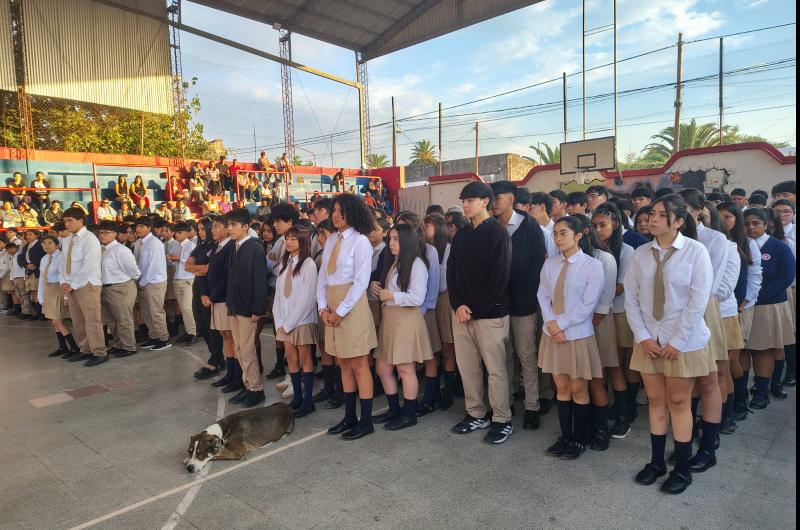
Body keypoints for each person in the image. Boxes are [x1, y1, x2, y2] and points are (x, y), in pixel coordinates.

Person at [625, 194, 714, 495]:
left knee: (678, 402)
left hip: (684, 342)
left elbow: (697, 300)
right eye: (651, 213)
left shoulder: (695, 252)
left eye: (661, 215)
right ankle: (656, 462)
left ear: (678, 221)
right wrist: (644, 337)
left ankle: (683, 469)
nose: (652, 219)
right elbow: (631, 299)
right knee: (655, 401)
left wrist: (676, 341)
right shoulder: (640, 254)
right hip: (649, 340)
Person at [447, 182, 513, 444]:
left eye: (471, 200)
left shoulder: (498, 233)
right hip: (462, 315)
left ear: (486, 201)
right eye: (463, 200)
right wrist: (457, 305)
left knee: (496, 370)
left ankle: (501, 418)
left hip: (491, 315)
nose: (465, 205)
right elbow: (451, 273)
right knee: (468, 368)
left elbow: (500, 278)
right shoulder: (462, 235)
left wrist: (475, 310)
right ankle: (476, 413)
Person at [538, 215, 604, 460]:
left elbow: (588, 303)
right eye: (555, 234)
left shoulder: (592, 265)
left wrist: (561, 324)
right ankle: (565, 436)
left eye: (563, 233)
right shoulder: (550, 264)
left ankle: (578, 439)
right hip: (553, 334)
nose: (558, 238)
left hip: (577, 335)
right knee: (561, 388)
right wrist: (551, 324)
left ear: (579, 235)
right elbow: (543, 295)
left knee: (578, 389)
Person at [317, 194, 378, 440]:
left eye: (342, 211)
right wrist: (322, 307)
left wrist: (340, 312)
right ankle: (349, 416)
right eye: (334, 210)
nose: (336, 214)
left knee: (359, 364)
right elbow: (323, 276)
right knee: (342, 363)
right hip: (331, 304)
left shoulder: (361, 241)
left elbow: (361, 281)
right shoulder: (332, 239)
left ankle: (366, 421)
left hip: (350, 306)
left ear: (353, 212)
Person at [491, 180, 547, 431]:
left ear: (511, 198)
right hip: (498, 304)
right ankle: (509, 399)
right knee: (504, 356)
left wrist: (530, 298)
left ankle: (532, 405)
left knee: (526, 356)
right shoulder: (490, 226)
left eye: (497, 197)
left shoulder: (530, 226)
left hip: (524, 303)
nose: (493, 201)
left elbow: (538, 266)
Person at [678, 189, 728, 472]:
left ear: (698, 210)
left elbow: (711, 285)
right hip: (674, 316)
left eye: (683, 208)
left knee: (709, 381)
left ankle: (709, 446)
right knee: (686, 385)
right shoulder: (667, 242)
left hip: (703, 311)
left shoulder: (714, 240)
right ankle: (687, 440)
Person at [370, 223, 433, 430]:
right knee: (383, 367)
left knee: (405, 369)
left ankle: (408, 414)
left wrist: (392, 295)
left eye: (396, 239)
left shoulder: (417, 264)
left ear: (407, 241)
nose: (391, 243)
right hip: (390, 319)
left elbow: (417, 297)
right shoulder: (394, 262)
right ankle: (394, 409)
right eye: (391, 239)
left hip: (405, 320)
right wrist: (376, 288)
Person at [571, 214, 618, 451]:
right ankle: (583, 425)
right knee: (578, 380)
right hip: (574, 328)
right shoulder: (567, 259)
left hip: (597, 326)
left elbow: (605, 300)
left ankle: (601, 429)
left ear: (582, 234)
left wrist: (586, 328)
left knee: (597, 381)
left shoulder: (604, 259)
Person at [593, 203, 638, 437]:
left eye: (603, 225)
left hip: (620, 313)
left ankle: (626, 411)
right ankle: (616, 409)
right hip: (603, 313)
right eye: (595, 225)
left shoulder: (627, 251)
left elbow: (619, 287)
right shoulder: (593, 251)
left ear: (616, 224)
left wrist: (592, 292)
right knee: (607, 368)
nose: (598, 229)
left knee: (618, 366)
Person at [743, 208, 795, 409]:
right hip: (744, 305)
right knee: (743, 351)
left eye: (756, 223)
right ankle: (741, 393)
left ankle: (762, 391)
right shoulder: (741, 245)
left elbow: (785, 277)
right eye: (747, 224)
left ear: (766, 225)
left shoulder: (779, 247)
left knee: (763, 351)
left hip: (768, 305)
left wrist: (756, 296)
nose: (751, 227)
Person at [716, 201, 761, 432]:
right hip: (722, 308)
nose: (725, 221)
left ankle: (738, 401)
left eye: (729, 216)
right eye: (720, 216)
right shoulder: (714, 243)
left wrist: (747, 299)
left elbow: (753, 273)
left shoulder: (745, 243)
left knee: (732, 360)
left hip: (737, 306)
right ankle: (722, 406)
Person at [225, 208, 269, 408]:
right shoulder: (235, 246)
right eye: (228, 225)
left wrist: (257, 309)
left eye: (233, 225)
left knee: (248, 349)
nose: (229, 229)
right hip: (235, 306)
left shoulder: (254, 247)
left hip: (248, 308)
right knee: (240, 348)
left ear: (245, 226)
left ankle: (256, 389)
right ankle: (248, 385)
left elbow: (259, 280)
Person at [274, 225, 318, 417]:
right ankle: (297, 398)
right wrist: (279, 322)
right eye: (286, 238)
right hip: (284, 321)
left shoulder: (308, 264)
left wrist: (290, 322)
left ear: (303, 241)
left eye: (293, 238)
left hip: (302, 321)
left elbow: (307, 299)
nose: (288, 242)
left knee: (305, 359)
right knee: (291, 359)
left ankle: (308, 401)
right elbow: (278, 297)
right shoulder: (284, 264)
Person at [59, 207, 108, 366]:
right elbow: (63, 263)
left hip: (87, 284)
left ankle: (99, 352)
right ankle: (85, 349)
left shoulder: (90, 239)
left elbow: (89, 265)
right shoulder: (67, 240)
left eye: (70, 220)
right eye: (65, 221)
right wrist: (63, 282)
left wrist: (72, 284)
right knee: (78, 321)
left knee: (92, 320)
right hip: (71, 286)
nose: (67, 224)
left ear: (80, 220)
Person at [424, 214, 458, 410]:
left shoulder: (448, 249)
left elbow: (443, 283)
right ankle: (434, 388)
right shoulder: (425, 249)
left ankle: (449, 391)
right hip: (429, 301)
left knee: (447, 347)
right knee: (432, 347)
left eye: (428, 225)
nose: (425, 229)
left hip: (444, 301)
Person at [97, 221, 141, 358]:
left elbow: (134, 271)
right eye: (100, 233)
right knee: (111, 320)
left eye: (106, 233)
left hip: (120, 287)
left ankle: (129, 346)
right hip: (105, 288)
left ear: (115, 234)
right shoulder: (100, 249)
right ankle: (117, 344)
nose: (102, 235)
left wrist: (128, 284)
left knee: (123, 319)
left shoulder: (121, 250)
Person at [36, 235, 80, 357]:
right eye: (44, 243)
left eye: (50, 243)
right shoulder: (44, 258)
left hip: (59, 290)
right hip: (48, 290)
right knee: (54, 322)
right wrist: (41, 296)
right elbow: (41, 278)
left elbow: (66, 277)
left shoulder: (62, 257)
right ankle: (62, 347)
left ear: (57, 245)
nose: (46, 245)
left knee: (57, 321)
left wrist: (66, 296)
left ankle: (74, 347)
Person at [133, 217, 171, 351]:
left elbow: (154, 267)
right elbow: (136, 263)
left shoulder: (155, 243)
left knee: (156, 311)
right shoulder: (138, 243)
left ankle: (163, 338)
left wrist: (142, 282)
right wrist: (137, 279)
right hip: (142, 281)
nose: (138, 229)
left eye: (141, 226)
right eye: (137, 226)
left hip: (154, 282)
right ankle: (153, 336)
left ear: (149, 228)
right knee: (146, 312)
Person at [171, 222, 198, 346]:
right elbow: (174, 263)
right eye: (175, 232)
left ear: (187, 233)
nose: (177, 235)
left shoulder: (192, 246)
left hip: (188, 279)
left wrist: (178, 259)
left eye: (179, 232)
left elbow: (193, 263)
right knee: (182, 308)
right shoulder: (175, 246)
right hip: (178, 278)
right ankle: (188, 332)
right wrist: (172, 259)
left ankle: (193, 333)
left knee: (187, 308)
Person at [20, 229, 45, 320]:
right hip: (29, 271)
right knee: (34, 293)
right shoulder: (26, 245)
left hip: (37, 271)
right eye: (27, 235)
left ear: (36, 235)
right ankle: (38, 313)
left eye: (30, 234)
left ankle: (42, 313)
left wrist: (33, 266)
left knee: (38, 292)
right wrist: (27, 265)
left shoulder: (40, 244)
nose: (28, 237)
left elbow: (42, 257)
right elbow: (22, 257)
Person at [530, 192, 558, 257]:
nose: (527, 212)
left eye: (530, 208)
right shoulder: (529, 229)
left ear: (542, 207)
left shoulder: (556, 231)